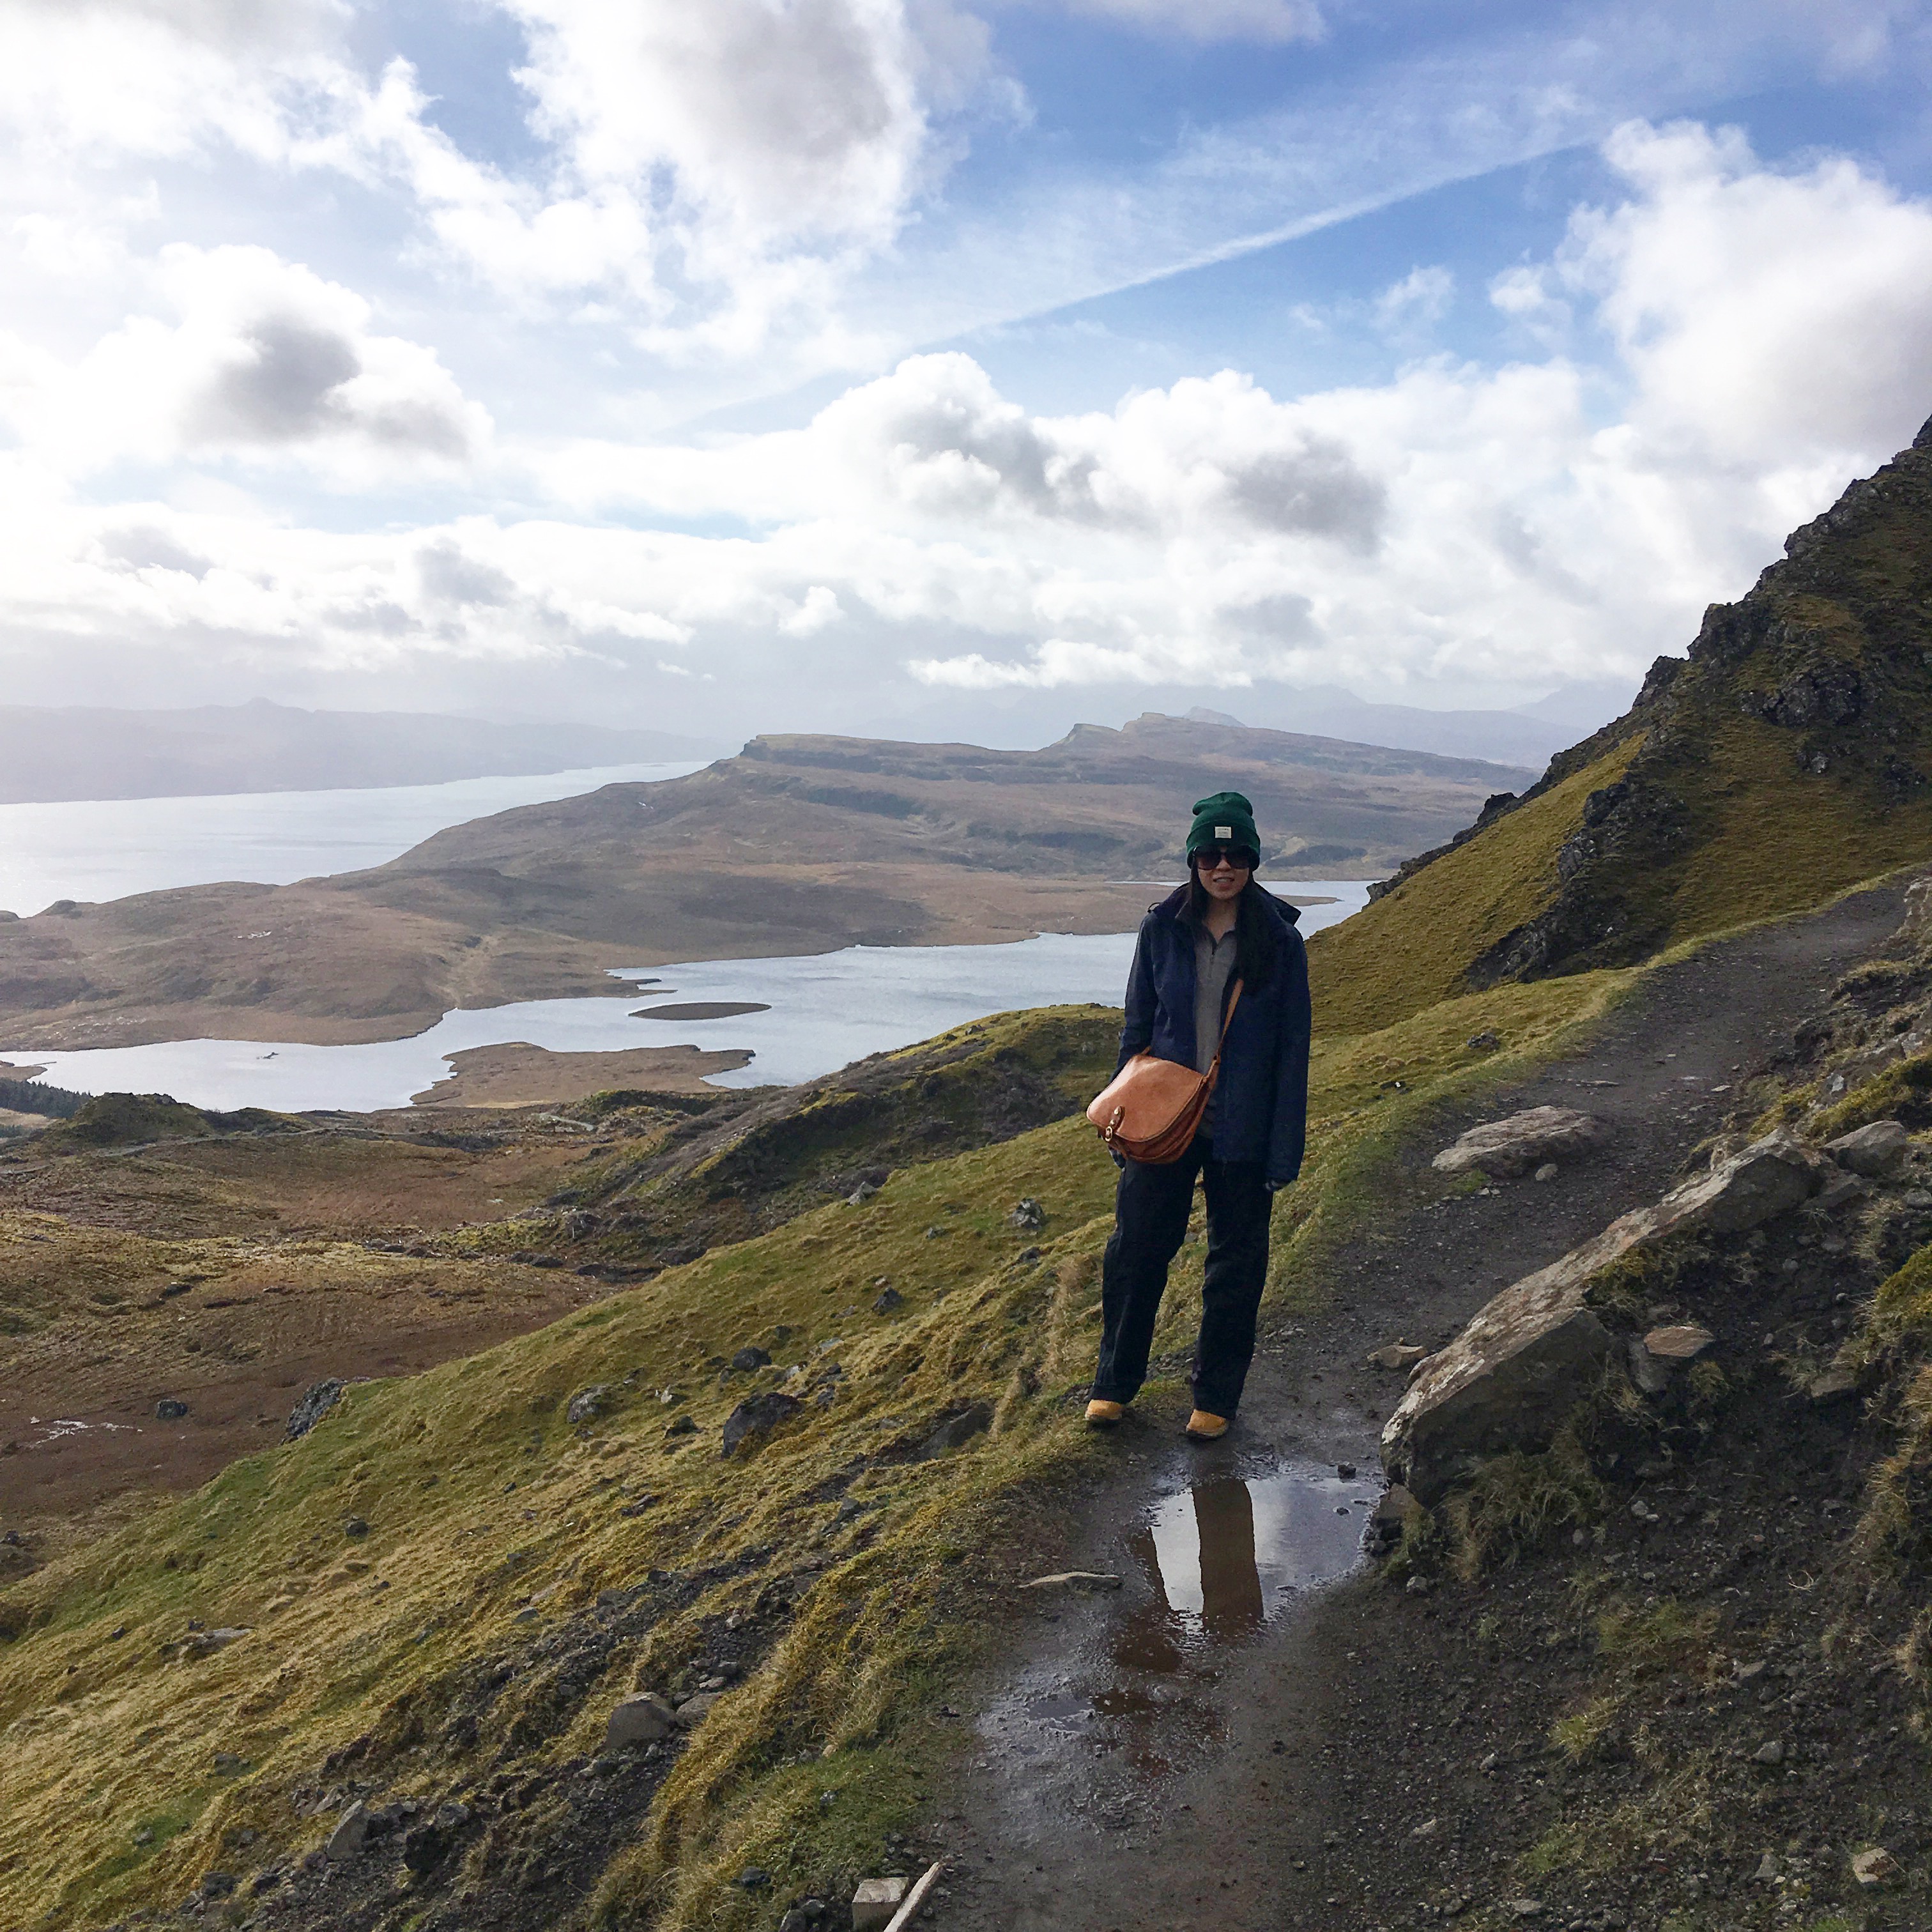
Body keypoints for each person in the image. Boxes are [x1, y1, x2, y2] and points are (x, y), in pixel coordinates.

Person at [1086, 790, 1312, 1442]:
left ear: (1253, 860)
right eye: (1212, 854)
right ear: (1193, 860)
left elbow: (1292, 1051)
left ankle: (1215, 1398)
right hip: (1163, 1123)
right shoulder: (1162, 928)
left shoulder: (1280, 941)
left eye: (1237, 853)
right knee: (1135, 1253)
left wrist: (1283, 1151)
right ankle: (1113, 1386)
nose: (1224, 865)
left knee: (1236, 1264)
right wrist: (1126, 1117)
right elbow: (1137, 1030)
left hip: (1242, 1127)